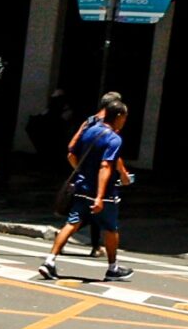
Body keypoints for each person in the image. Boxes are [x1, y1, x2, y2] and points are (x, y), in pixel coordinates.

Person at [41, 98, 131, 280]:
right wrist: (99, 196)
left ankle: (49, 260)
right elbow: (105, 166)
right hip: (104, 194)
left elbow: (71, 153)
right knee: (110, 229)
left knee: (72, 223)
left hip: (82, 187)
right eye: (124, 117)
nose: (125, 121)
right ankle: (113, 268)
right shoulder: (114, 139)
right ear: (119, 115)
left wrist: (81, 171)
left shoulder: (90, 130)